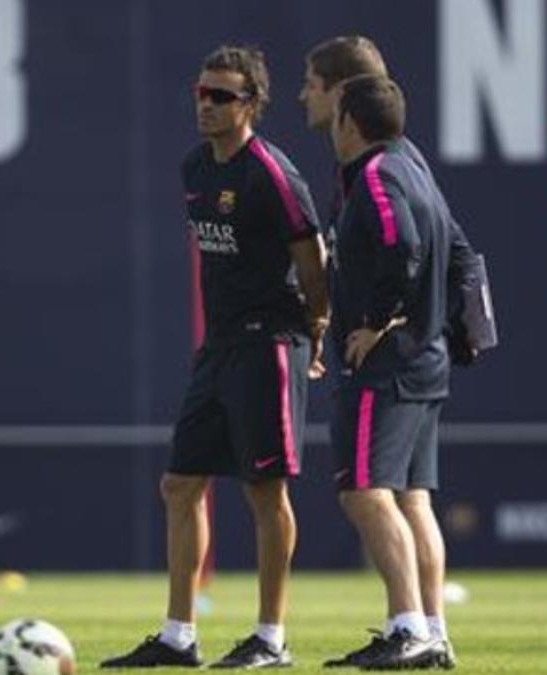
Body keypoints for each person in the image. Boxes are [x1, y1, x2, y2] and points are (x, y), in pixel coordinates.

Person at [101, 45, 328, 670]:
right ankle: (179, 635)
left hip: (270, 342)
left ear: (250, 103)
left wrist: (317, 331)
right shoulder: (196, 168)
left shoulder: (272, 174)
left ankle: (271, 638)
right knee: (180, 485)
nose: (205, 104)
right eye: (201, 92)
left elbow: (312, 260)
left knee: (262, 490)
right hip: (221, 347)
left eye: (221, 95)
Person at [298, 37, 458, 670]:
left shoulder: (376, 174)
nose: (303, 94)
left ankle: (408, 627)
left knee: (364, 492)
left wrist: (376, 321)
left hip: (390, 365)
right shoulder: (411, 161)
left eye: (312, 84)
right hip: (424, 358)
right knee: (413, 497)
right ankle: (433, 631)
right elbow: (461, 252)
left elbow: (405, 245)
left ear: (345, 108)